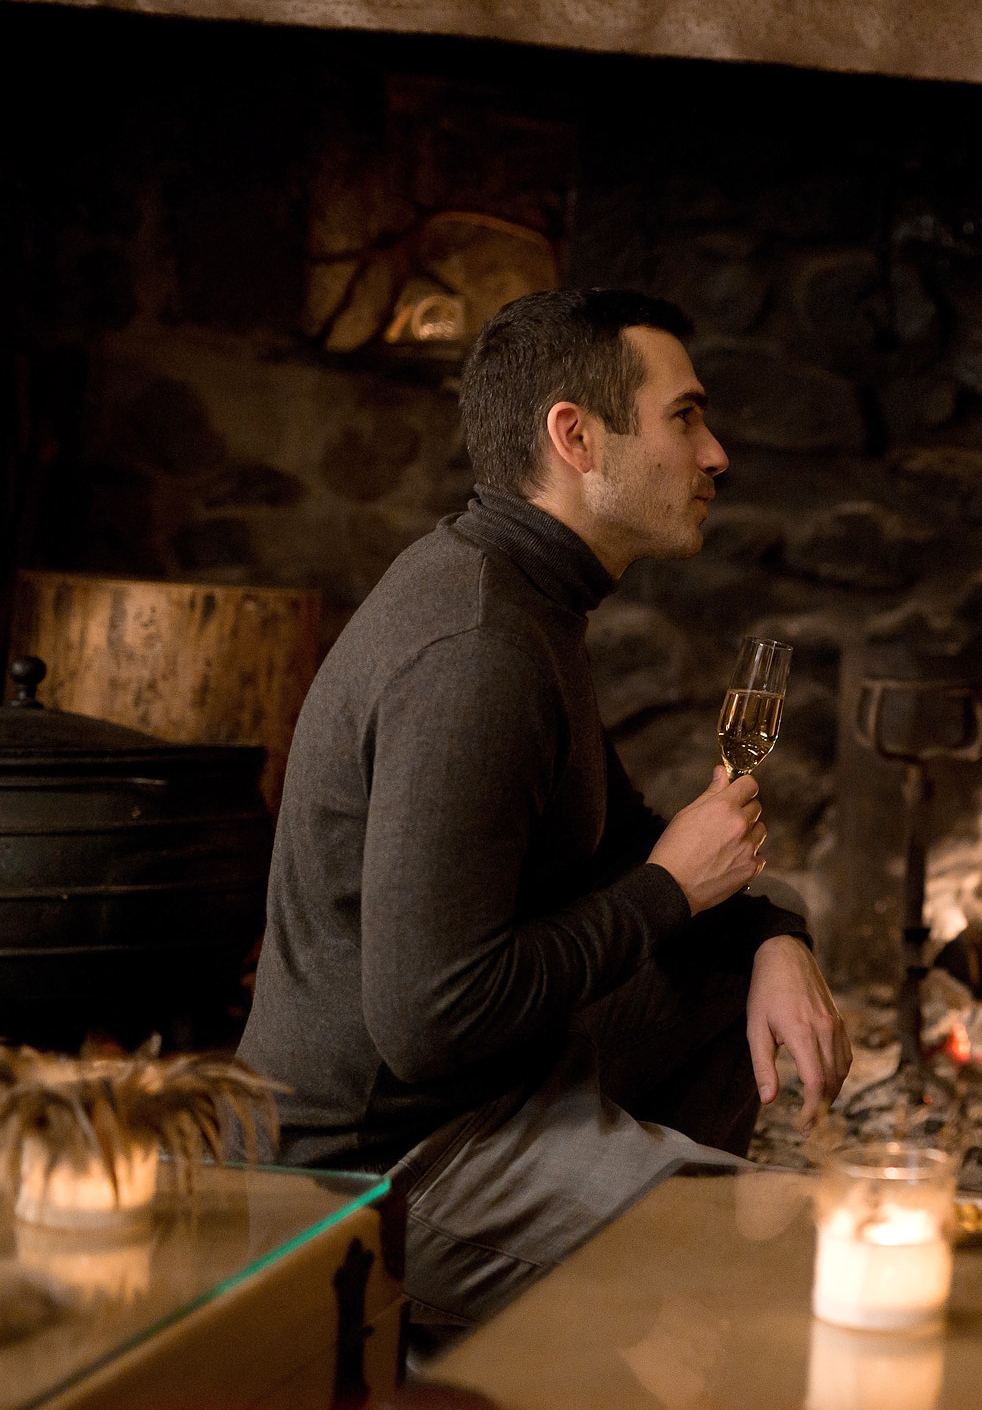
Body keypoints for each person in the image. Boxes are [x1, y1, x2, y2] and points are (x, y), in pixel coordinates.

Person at [239, 289, 852, 1328]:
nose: (717, 456)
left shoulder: (528, 602)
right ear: (574, 436)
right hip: (381, 1166)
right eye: (686, 418)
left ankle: (617, 1243)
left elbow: (617, 844)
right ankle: (595, 1303)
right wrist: (670, 891)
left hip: (488, 1096)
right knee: (781, 1275)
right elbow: (432, 1022)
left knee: (724, 953)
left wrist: (773, 931)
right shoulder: (475, 649)